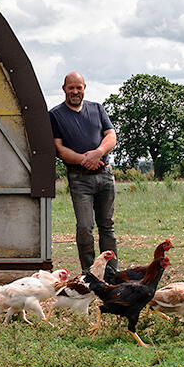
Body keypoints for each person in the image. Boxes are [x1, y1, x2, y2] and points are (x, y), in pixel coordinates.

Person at [49, 72, 119, 279]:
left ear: (84, 87)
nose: (75, 92)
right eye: (71, 88)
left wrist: (98, 153)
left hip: (105, 174)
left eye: (78, 87)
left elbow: (111, 135)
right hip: (79, 179)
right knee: (85, 227)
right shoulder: (55, 115)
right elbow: (60, 150)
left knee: (107, 225)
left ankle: (111, 271)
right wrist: (84, 160)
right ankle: (89, 273)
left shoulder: (97, 108)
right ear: (64, 89)